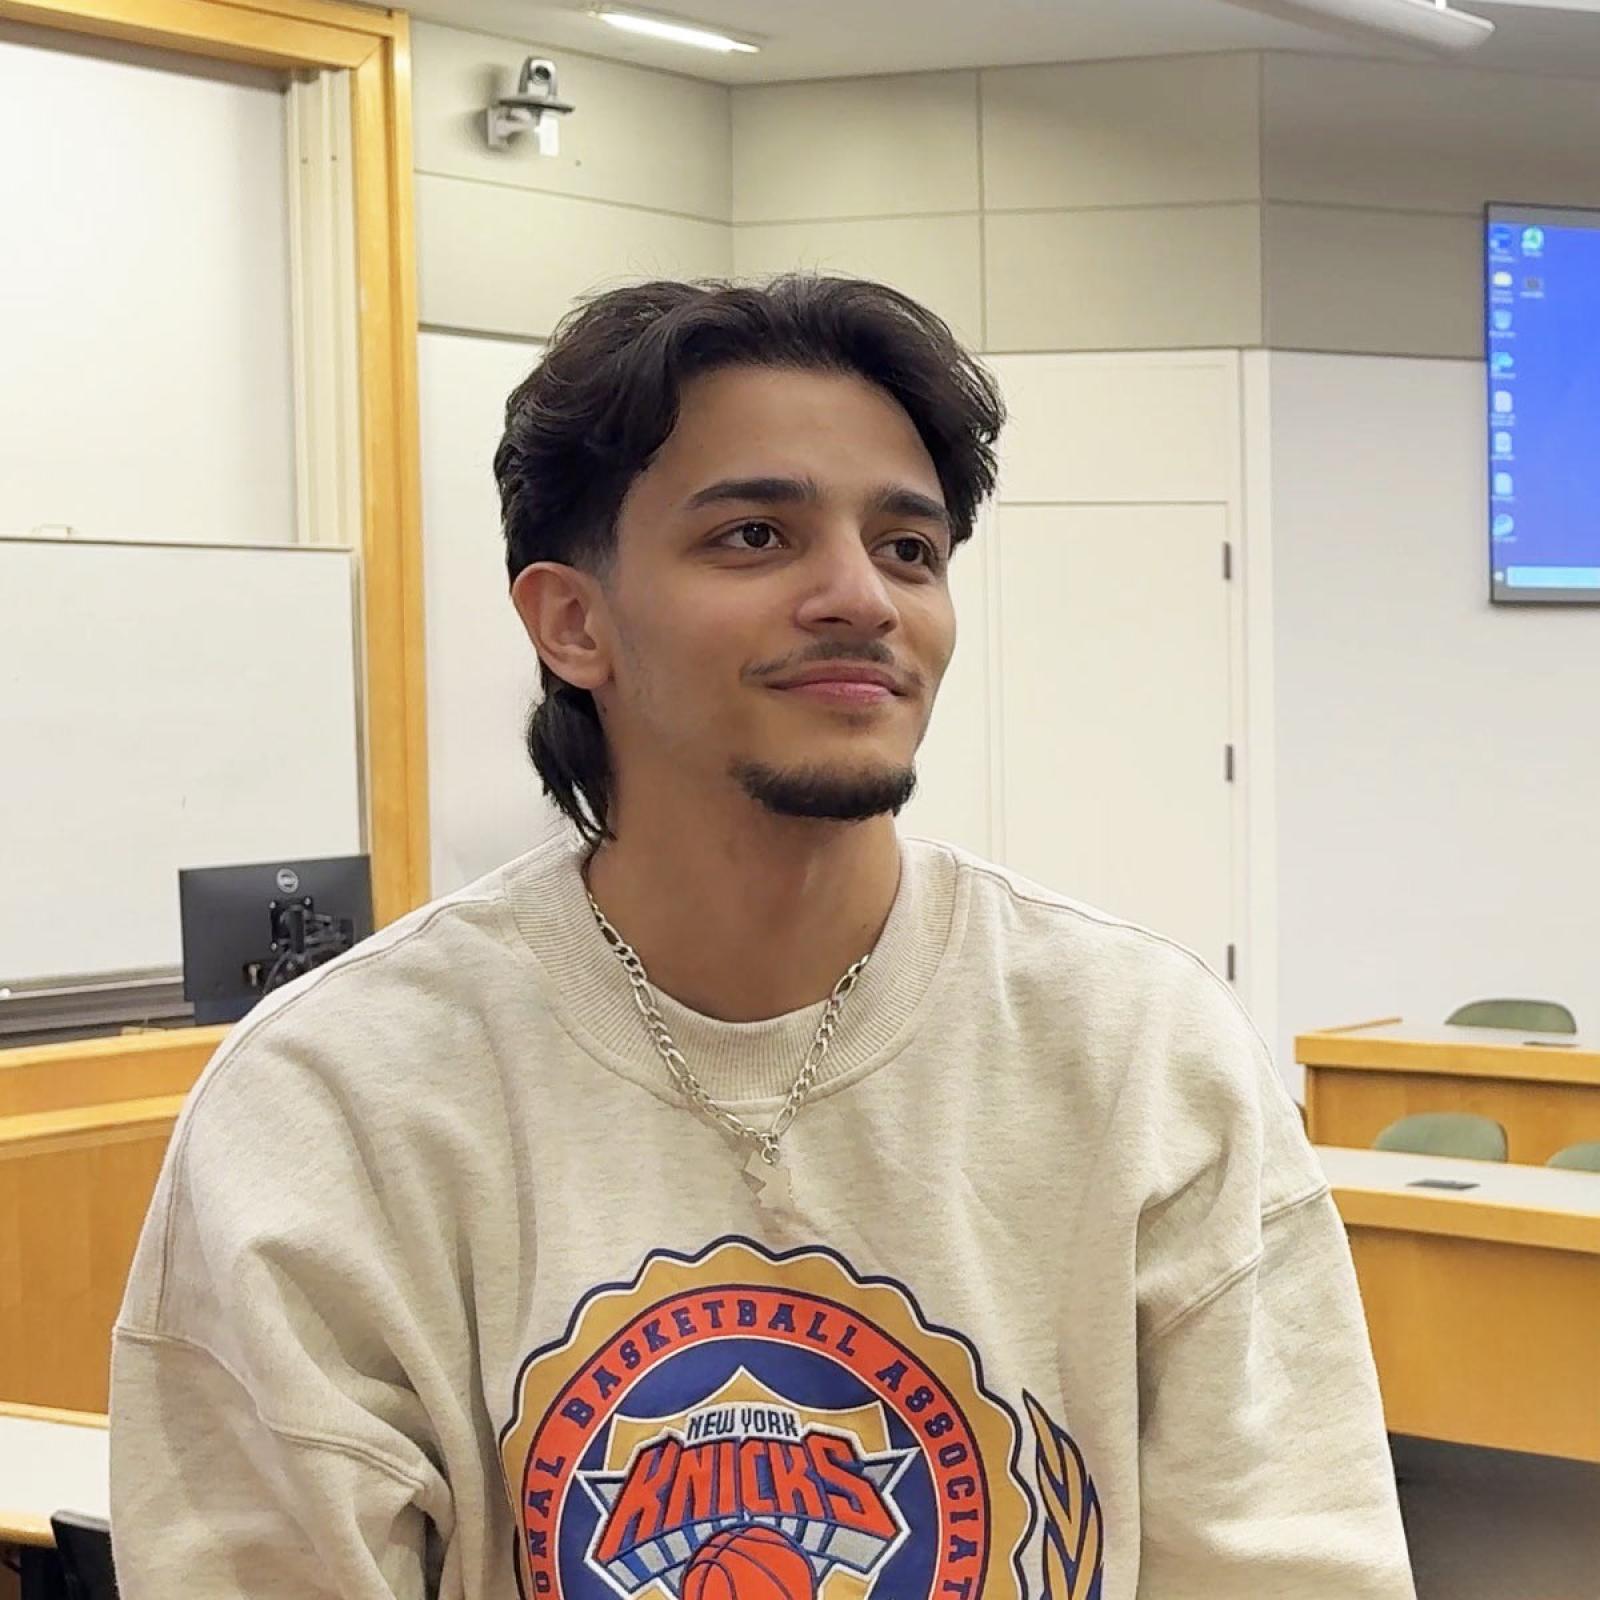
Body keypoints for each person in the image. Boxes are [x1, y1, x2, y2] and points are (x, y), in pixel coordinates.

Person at [110, 276, 1415, 1600]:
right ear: (573, 622)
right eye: (754, 537)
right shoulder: (332, 1102)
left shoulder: (1138, 1054)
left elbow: (1290, 1562)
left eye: (909, 549)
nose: (861, 595)